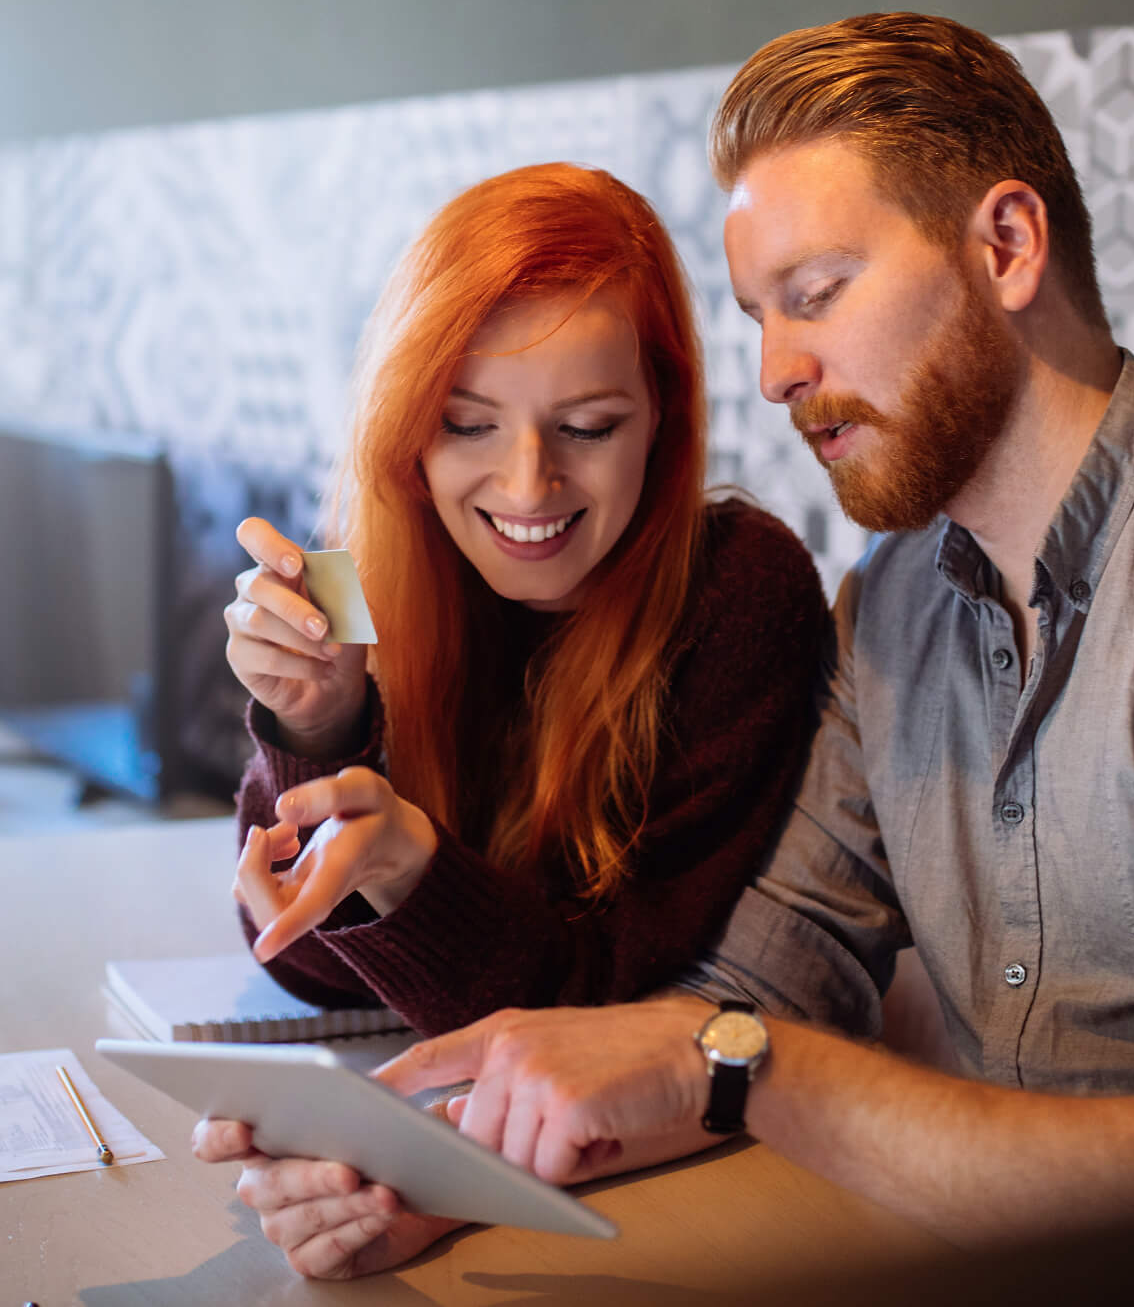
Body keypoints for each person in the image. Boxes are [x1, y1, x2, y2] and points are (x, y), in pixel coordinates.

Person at [203, 12, 1134, 1275]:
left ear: (1006, 246)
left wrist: (730, 1058)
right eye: (760, 316)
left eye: (819, 291)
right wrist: (444, 1168)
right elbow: (756, 989)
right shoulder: (898, 598)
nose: (779, 369)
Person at [215, 164, 830, 1040]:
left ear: (662, 417)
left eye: (587, 427)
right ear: (410, 431)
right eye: (468, 424)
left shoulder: (737, 592)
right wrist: (317, 730)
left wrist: (408, 874)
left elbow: (605, 996)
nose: (528, 484)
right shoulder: (374, 578)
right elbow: (298, 959)